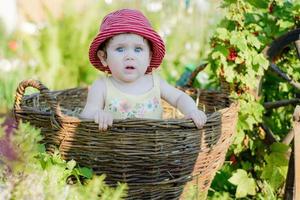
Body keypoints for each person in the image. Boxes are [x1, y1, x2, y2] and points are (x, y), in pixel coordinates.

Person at [80, 8, 207, 131]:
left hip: (153, 149)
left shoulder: (155, 82)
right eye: (120, 49)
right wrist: (97, 115)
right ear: (103, 57)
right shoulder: (102, 86)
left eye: (138, 49)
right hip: (114, 149)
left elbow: (179, 98)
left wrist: (192, 111)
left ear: (149, 57)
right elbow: (87, 114)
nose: (130, 56)